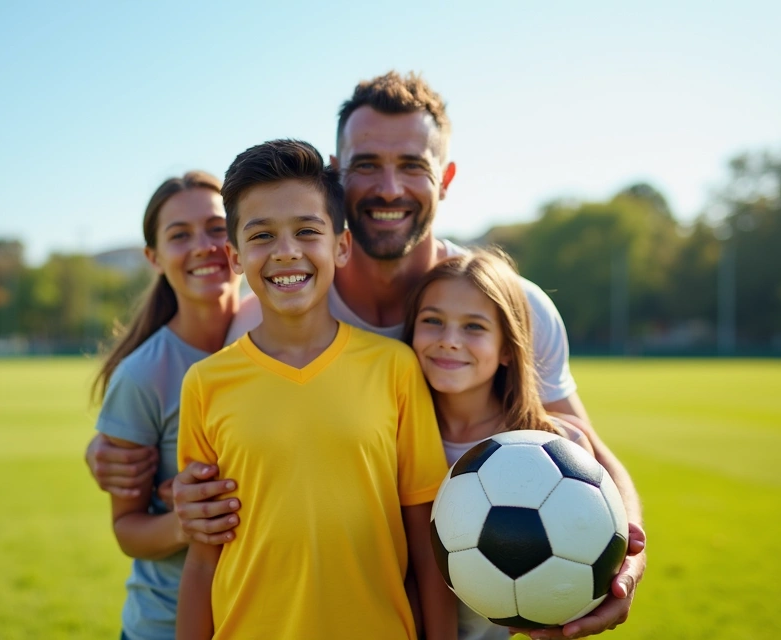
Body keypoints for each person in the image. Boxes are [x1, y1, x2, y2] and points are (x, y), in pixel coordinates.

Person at [88, 72, 646, 639]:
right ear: (339, 168)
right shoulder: (246, 330)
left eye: (411, 165)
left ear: (445, 178)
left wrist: (625, 563)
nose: (387, 187)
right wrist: (119, 441)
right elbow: (221, 452)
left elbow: (582, 452)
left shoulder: (507, 307)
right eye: (367, 164)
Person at [176, 139, 455, 640]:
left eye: (307, 230)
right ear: (235, 257)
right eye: (262, 236)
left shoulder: (395, 368)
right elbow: (203, 558)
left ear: (341, 247)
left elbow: (425, 541)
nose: (287, 252)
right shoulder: (205, 383)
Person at [404, 249, 597, 638]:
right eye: (432, 321)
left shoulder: (558, 447)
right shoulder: (389, 435)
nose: (450, 341)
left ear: (507, 348)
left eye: (473, 327)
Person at [92, 171, 242, 640]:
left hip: (261, 618)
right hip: (162, 625)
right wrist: (184, 523)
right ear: (154, 258)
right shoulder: (142, 375)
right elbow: (127, 528)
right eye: (180, 235)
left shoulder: (282, 340)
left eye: (217, 228)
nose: (203, 246)